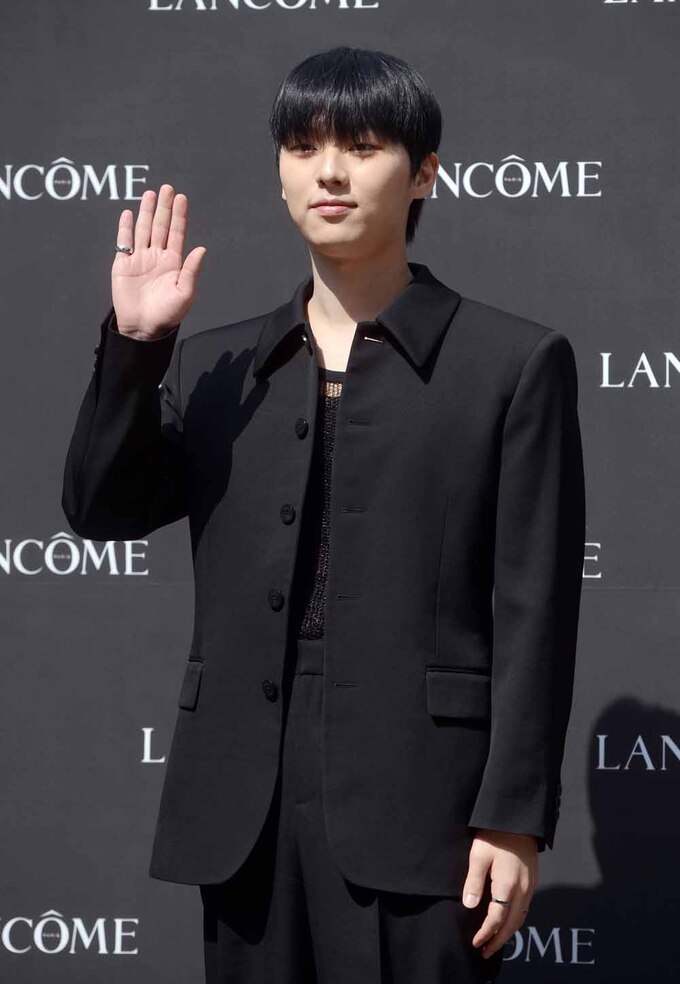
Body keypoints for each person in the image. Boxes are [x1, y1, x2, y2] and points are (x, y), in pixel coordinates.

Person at [62, 45, 586, 984]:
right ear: (280, 175)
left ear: (424, 173)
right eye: (304, 148)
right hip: (244, 808)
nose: (330, 172)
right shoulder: (216, 365)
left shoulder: (511, 364)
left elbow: (534, 609)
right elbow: (101, 510)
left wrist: (513, 816)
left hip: (427, 803)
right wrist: (137, 345)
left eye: (364, 146)